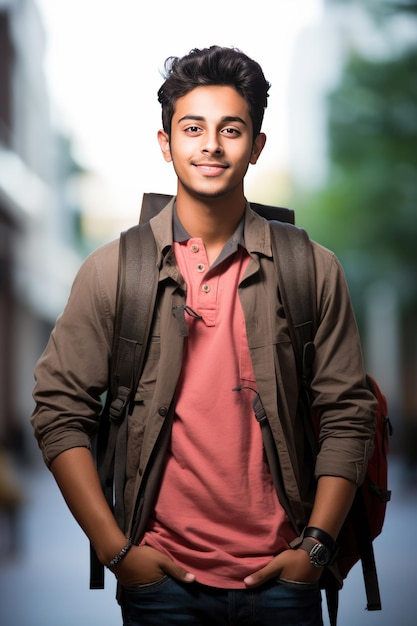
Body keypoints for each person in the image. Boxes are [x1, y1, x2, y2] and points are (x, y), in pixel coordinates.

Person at [31, 46, 376, 626]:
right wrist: (117, 552)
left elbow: (348, 412)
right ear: (165, 143)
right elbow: (58, 409)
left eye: (231, 129)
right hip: (161, 583)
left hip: (285, 582)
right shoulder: (113, 270)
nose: (211, 145)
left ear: (257, 146)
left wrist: (314, 551)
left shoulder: (312, 268)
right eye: (192, 128)